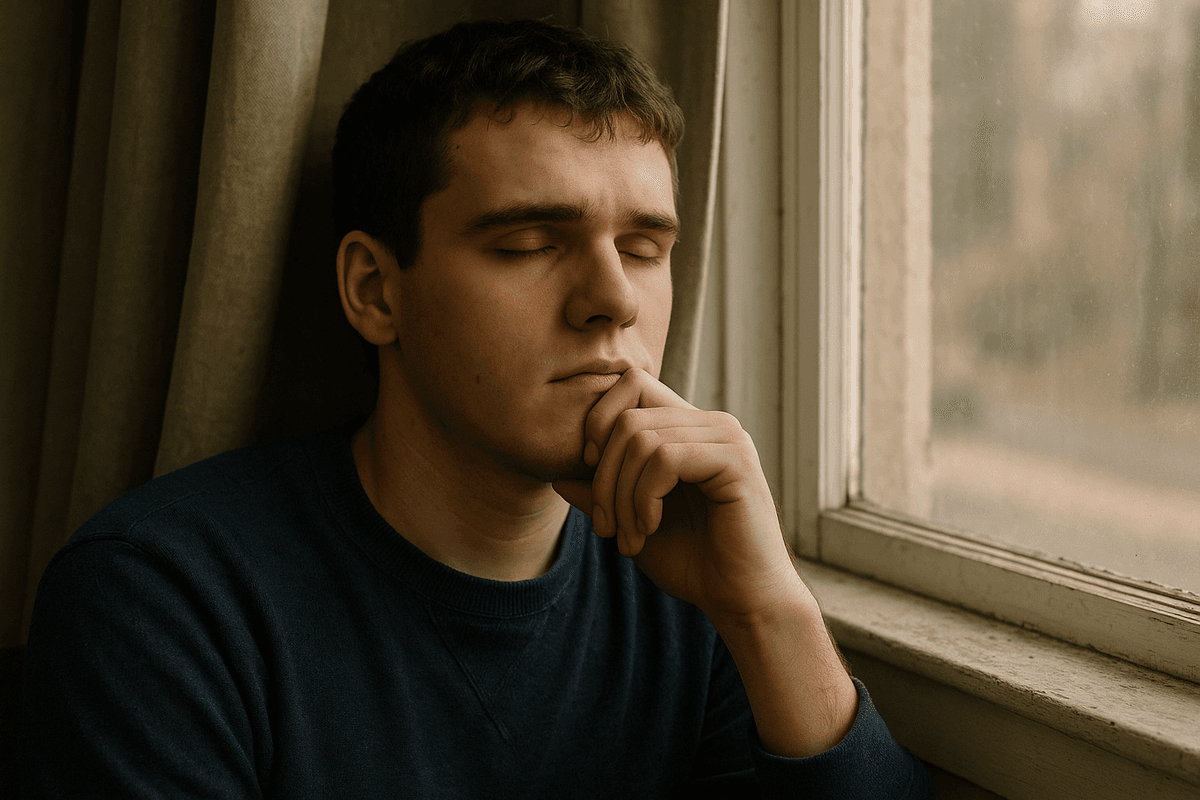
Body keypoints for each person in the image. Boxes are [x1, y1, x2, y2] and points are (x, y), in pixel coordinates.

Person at [20, 18, 933, 798]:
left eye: (645, 246)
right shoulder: (160, 603)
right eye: (532, 242)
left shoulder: (699, 591)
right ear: (376, 290)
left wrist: (771, 609)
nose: (611, 298)